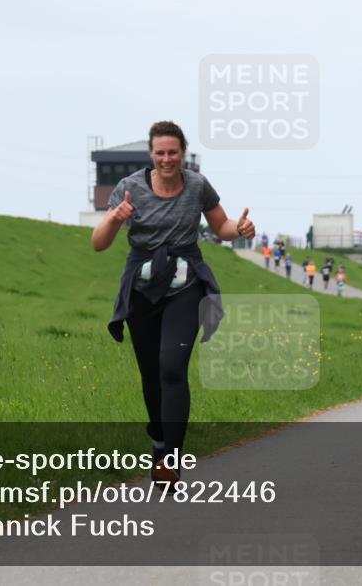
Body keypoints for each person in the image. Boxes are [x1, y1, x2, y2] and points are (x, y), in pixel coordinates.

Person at [93, 121, 255, 484]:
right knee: (150, 374)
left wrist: (239, 231)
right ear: (152, 155)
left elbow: (221, 226)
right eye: (160, 153)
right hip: (142, 289)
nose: (167, 159)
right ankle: (159, 437)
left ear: (183, 154)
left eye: (173, 152)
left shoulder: (197, 185)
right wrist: (116, 219)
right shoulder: (129, 188)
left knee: (171, 366)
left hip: (186, 286)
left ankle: (171, 458)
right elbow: (98, 243)